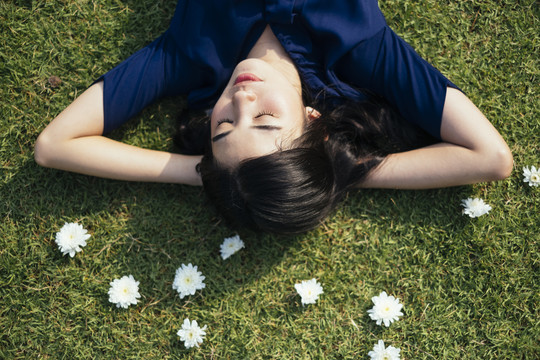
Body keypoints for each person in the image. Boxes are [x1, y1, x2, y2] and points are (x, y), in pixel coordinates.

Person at [34, 0, 513, 234]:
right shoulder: (360, 49)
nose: (241, 101)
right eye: (264, 122)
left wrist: (205, 173)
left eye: (221, 128)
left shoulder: (189, 55)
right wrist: (333, 170)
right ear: (314, 122)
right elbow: (490, 157)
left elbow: (55, 146)